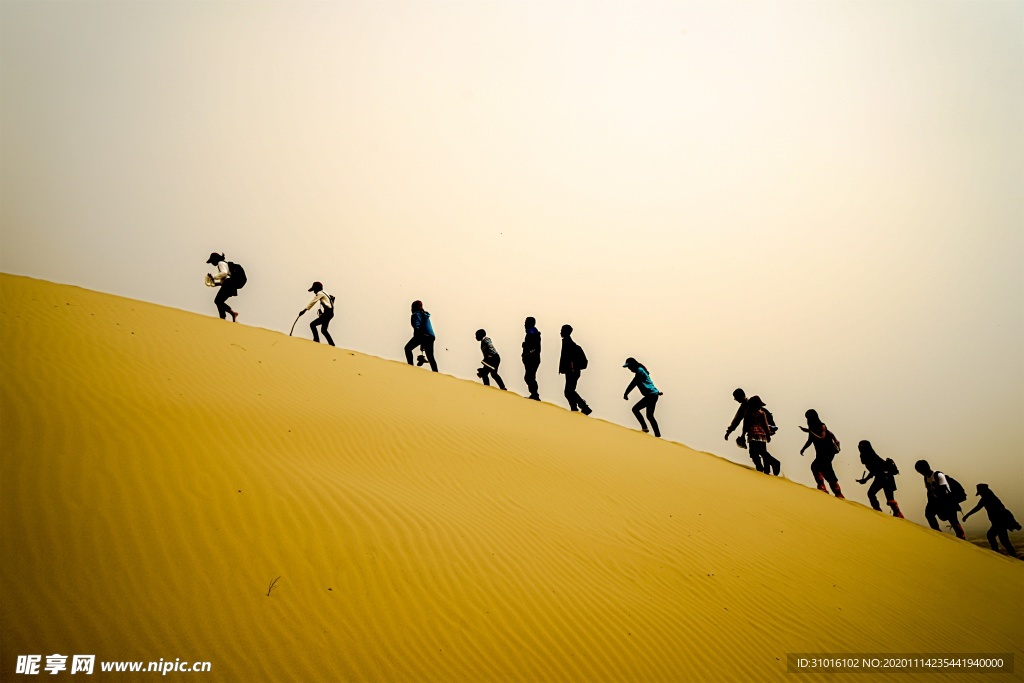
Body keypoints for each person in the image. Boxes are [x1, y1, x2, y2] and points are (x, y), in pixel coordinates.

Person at [724, 388, 778, 472]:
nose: (734, 399)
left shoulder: (746, 407)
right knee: (762, 451)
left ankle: (766, 467)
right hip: (764, 431)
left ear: (740, 396)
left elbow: (738, 421)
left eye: (735, 397)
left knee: (754, 453)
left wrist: (729, 432)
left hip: (755, 432)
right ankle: (766, 471)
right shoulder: (752, 404)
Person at [913, 460, 966, 539]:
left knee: (953, 521)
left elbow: (944, 490)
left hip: (948, 502)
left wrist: (939, 502)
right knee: (929, 514)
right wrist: (930, 503)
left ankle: (962, 538)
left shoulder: (939, 475)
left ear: (925, 468)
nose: (919, 472)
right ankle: (938, 535)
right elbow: (929, 490)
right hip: (936, 501)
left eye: (920, 470)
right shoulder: (926, 477)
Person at [963, 484, 1019, 557]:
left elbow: (977, 508)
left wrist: (967, 515)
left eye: (980, 493)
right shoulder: (989, 496)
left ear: (983, 491)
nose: (980, 495)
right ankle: (1000, 554)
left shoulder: (987, 498)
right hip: (999, 521)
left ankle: (996, 554)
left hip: (999, 522)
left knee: (995, 537)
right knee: (1001, 540)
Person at [799, 409, 844, 498]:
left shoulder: (822, 426)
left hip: (827, 452)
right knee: (826, 471)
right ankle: (837, 493)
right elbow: (810, 440)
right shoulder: (812, 427)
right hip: (820, 453)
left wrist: (809, 431)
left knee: (817, 467)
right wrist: (803, 448)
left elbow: (822, 438)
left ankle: (824, 488)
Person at [854, 440, 904, 518]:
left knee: (884, 498)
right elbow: (874, 471)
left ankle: (885, 512)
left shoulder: (870, 457)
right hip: (884, 478)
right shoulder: (870, 456)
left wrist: (865, 480)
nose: (859, 448)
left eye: (861, 446)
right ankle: (888, 512)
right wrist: (865, 480)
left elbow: (874, 471)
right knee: (884, 497)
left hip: (885, 478)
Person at [622, 358, 663, 437]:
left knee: (635, 409)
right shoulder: (641, 371)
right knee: (650, 416)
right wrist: (657, 392)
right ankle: (657, 435)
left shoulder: (639, 371)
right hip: (653, 395)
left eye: (629, 366)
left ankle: (644, 428)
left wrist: (626, 393)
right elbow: (649, 383)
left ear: (633, 365)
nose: (629, 369)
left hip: (651, 395)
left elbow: (634, 383)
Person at [558, 324, 591, 415]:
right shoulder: (567, 343)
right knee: (569, 391)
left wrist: (571, 367)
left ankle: (581, 407)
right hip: (571, 371)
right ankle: (576, 408)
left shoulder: (570, 344)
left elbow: (570, 358)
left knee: (569, 391)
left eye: (562, 330)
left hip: (572, 372)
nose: (560, 332)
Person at [743, 396, 780, 475]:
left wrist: (743, 435)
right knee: (762, 452)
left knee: (753, 453)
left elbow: (745, 424)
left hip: (753, 435)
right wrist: (768, 435)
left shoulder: (749, 412)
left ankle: (762, 468)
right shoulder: (762, 413)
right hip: (762, 435)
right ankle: (768, 467)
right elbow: (765, 425)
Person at [403, 300, 437, 372]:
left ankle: (410, 367)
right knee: (430, 356)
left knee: (407, 348)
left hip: (422, 335)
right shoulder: (425, 315)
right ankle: (436, 372)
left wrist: (417, 336)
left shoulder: (416, 314)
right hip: (430, 336)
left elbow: (417, 325)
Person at [297, 281, 335, 346]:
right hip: (329, 313)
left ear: (317, 288)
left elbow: (313, 302)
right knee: (324, 330)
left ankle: (316, 340)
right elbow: (333, 298)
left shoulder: (320, 293)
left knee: (312, 324)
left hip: (328, 313)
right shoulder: (325, 292)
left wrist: (304, 310)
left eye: (314, 290)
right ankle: (332, 345)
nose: (314, 292)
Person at [205, 252, 239, 322]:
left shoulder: (221, 263)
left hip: (229, 284)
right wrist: (215, 284)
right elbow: (223, 282)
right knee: (219, 301)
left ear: (215, 259)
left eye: (212, 261)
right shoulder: (224, 264)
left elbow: (224, 273)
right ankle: (224, 317)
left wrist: (213, 277)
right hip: (230, 284)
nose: (212, 263)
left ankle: (229, 315)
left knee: (218, 301)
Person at [522, 317, 541, 400]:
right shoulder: (531, 332)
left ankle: (535, 395)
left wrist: (528, 351)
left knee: (529, 377)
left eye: (526, 322)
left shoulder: (532, 331)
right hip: (531, 358)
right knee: (529, 377)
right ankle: (534, 394)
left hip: (532, 358)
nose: (524, 324)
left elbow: (535, 346)